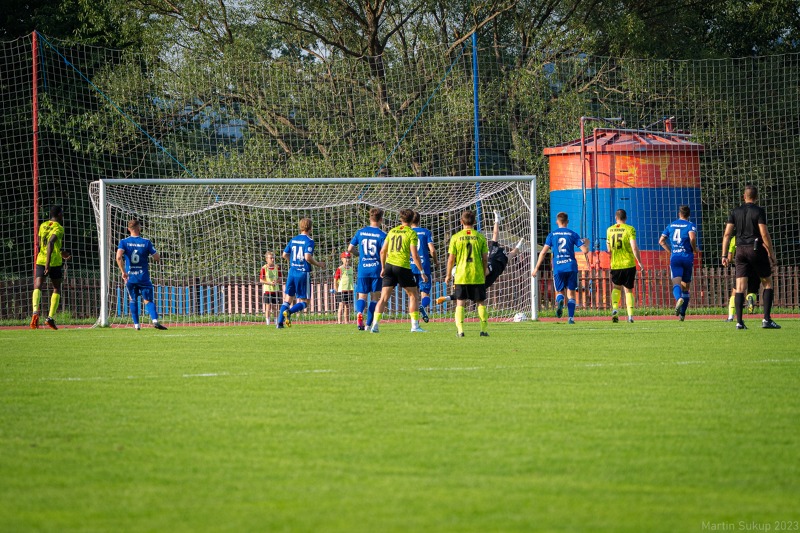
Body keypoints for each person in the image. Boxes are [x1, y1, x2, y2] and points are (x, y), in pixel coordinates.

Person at [721, 185, 780, 329]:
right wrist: (771, 254)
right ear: (756, 197)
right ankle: (766, 320)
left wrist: (724, 254)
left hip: (740, 250)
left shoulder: (735, 211)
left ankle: (739, 322)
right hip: (755, 248)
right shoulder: (759, 211)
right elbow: (764, 234)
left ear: (744, 196)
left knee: (740, 287)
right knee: (767, 283)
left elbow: (727, 234)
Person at [437, 210, 523, 305]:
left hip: (491, 265)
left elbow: (488, 268)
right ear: (474, 221)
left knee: (464, 295)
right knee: (497, 241)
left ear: (461, 221)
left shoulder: (497, 260)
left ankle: (497, 220)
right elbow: (507, 250)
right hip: (490, 263)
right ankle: (497, 220)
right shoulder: (489, 248)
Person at [370, 209, 427, 333]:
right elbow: (415, 255)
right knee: (413, 295)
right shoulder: (411, 233)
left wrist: (383, 268)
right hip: (402, 267)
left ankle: (375, 325)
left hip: (389, 266)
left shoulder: (392, 231)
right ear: (412, 220)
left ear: (401, 219)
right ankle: (415, 326)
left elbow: (382, 251)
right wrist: (422, 272)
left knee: (383, 298)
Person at [531, 212, 589, 324]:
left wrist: (536, 268)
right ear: (567, 221)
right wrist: (585, 243)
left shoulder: (552, 235)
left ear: (557, 221)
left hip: (558, 267)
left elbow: (543, 252)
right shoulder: (573, 234)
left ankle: (561, 301)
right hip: (571, 266)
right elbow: (585, 251)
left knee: (559, 292)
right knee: (571, 294)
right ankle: (571, 318)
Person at [116, 218, 167, 330]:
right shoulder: (146, 242)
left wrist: (123, 272)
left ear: (128, 229)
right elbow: (156, 257)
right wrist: (155, 257)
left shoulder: (123, 242)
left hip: (130, 277)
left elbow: (118, 257)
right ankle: (155, 321)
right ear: (139, 228)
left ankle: (136, 325)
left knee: (133, 299)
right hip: (143, 276)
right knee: (148, 300)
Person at [445, 210, 490, 337]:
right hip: (476, 274)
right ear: (474, 221)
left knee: (460, 302)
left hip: (461, 275)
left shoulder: (456, 237)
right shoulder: (480, 237)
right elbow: (485, 258)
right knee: (480, 302)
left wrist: (448, 275)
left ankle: (460, 331)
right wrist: (484, 270)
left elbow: (451, 259)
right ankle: (483, 330)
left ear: (461, 222)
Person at [277, 217, 326, 328]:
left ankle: (279, 323)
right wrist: (318, 264)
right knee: (305, 302)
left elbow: (284, 255)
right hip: (302, 273)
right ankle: (289, 312)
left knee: (288, 299)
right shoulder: (309, 241)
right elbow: (307, 257)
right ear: (310, 228)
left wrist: (293, 262)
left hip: (292, 272)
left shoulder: (293, 239)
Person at [30, 205, 71, 330]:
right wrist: (48, 264)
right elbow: (50, 243)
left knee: (38, 285)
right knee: (56, 287)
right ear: (59, 214)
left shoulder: (43, 225)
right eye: (62, 213)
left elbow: (43, 243)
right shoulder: (59, 228)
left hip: (40, 259)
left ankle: (35, 312)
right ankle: (50, 318)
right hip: (53, 262)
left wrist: (61, 252)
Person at [347, 208, 387, 331]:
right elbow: (383, 252)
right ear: (381, 219)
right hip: (376, 269)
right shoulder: (382, 235)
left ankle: (359, 313)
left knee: (362, 297)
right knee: (375, 298)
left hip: (363, 269)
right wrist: (384, 267)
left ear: (370, 218)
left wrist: (359, 254)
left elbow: (350, 249)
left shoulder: (360, 232)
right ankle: (368, 325)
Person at [659, 205, 699, 322]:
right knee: (686, 287)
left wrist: (671, 251)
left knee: (676, 283)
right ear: (689, 215)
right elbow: (692, 238)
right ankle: (682, 315)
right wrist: (694, 249)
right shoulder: (690, 225)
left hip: (675, 258)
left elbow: (661, 241)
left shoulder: (671, 225)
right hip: (687, 258)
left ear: (679, 214)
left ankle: (678, 299)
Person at [606, 209, 644, 323]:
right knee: (628, 290)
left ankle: (615, 309)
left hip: (616, 264)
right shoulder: (630, 229)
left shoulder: (609, 230)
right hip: (628, 264)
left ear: (616, 218)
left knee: (616, 288)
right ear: (625, 218)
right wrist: (639, 261)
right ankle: (630, 316)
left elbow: (608, 249)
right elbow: (634, 247)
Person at [410, 211, 436, 323]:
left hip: (410, 266)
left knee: (412, 295)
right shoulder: (426, 232)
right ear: (419, 220)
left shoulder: (407, 232)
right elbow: (432, 250)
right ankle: (423, 306)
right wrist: (436, 261)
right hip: (424, 266)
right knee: (425, 293)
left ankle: (414, 322)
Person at [724, 237, 759, 322]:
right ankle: (750, 298)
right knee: (752, 291)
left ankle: (730, 317)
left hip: (742, 267)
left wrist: (734, 261)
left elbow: (730, 257)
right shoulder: (756, 236)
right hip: (755, 265)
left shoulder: (735, 239)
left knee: (735, 291)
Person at [259, 252, 282, 325]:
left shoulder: (277, 267)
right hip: (267, 290)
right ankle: (268, 323)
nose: (272, 259)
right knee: (268, 307)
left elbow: (280, 278)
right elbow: (261, 280)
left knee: (275, 307)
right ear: (266, 259)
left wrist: (276, 281)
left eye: (273, 258)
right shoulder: (264, 268)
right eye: (271, 258)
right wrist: (270, 283)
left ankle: (276, 322)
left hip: (275, 290)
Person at [333, 252, 354, 324]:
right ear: (342, 259)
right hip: (341, 290)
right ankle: (339, 321)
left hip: (349, 289)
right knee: (341, 305)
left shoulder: (351, 268)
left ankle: (347, 321)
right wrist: (336, 288)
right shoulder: (340, 268)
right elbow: (335, 279)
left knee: (347, 306)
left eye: (348, 258)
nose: (347, 259)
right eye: (345, 258)